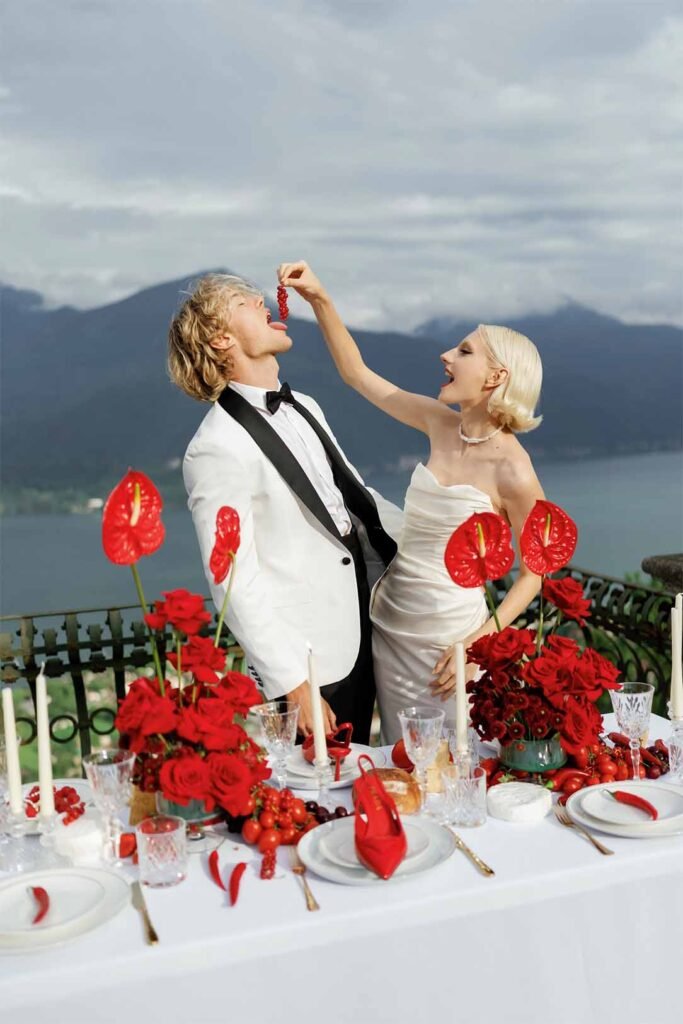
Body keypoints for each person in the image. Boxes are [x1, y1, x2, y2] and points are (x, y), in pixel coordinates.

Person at [277, 261, 546, 744]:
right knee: (403, 762)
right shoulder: (439, 422)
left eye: (464, 351)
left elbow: (535, 571)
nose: (446, 355)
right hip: (390, 627)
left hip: (449, 646)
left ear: (495, 377)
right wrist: (319, 299)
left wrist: (476, 643)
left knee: (455, 762)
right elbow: (357, 375)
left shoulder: (515, 469)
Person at [168, 273, 398, 743]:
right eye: (242, 301)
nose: (261, 299)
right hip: (307, 662)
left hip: (359, 632)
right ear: (221, 338)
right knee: (315, 798)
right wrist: (293, 684)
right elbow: (233, 578)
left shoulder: (305, 405)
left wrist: (443, 529)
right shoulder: (215, 447)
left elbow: (354, 500)